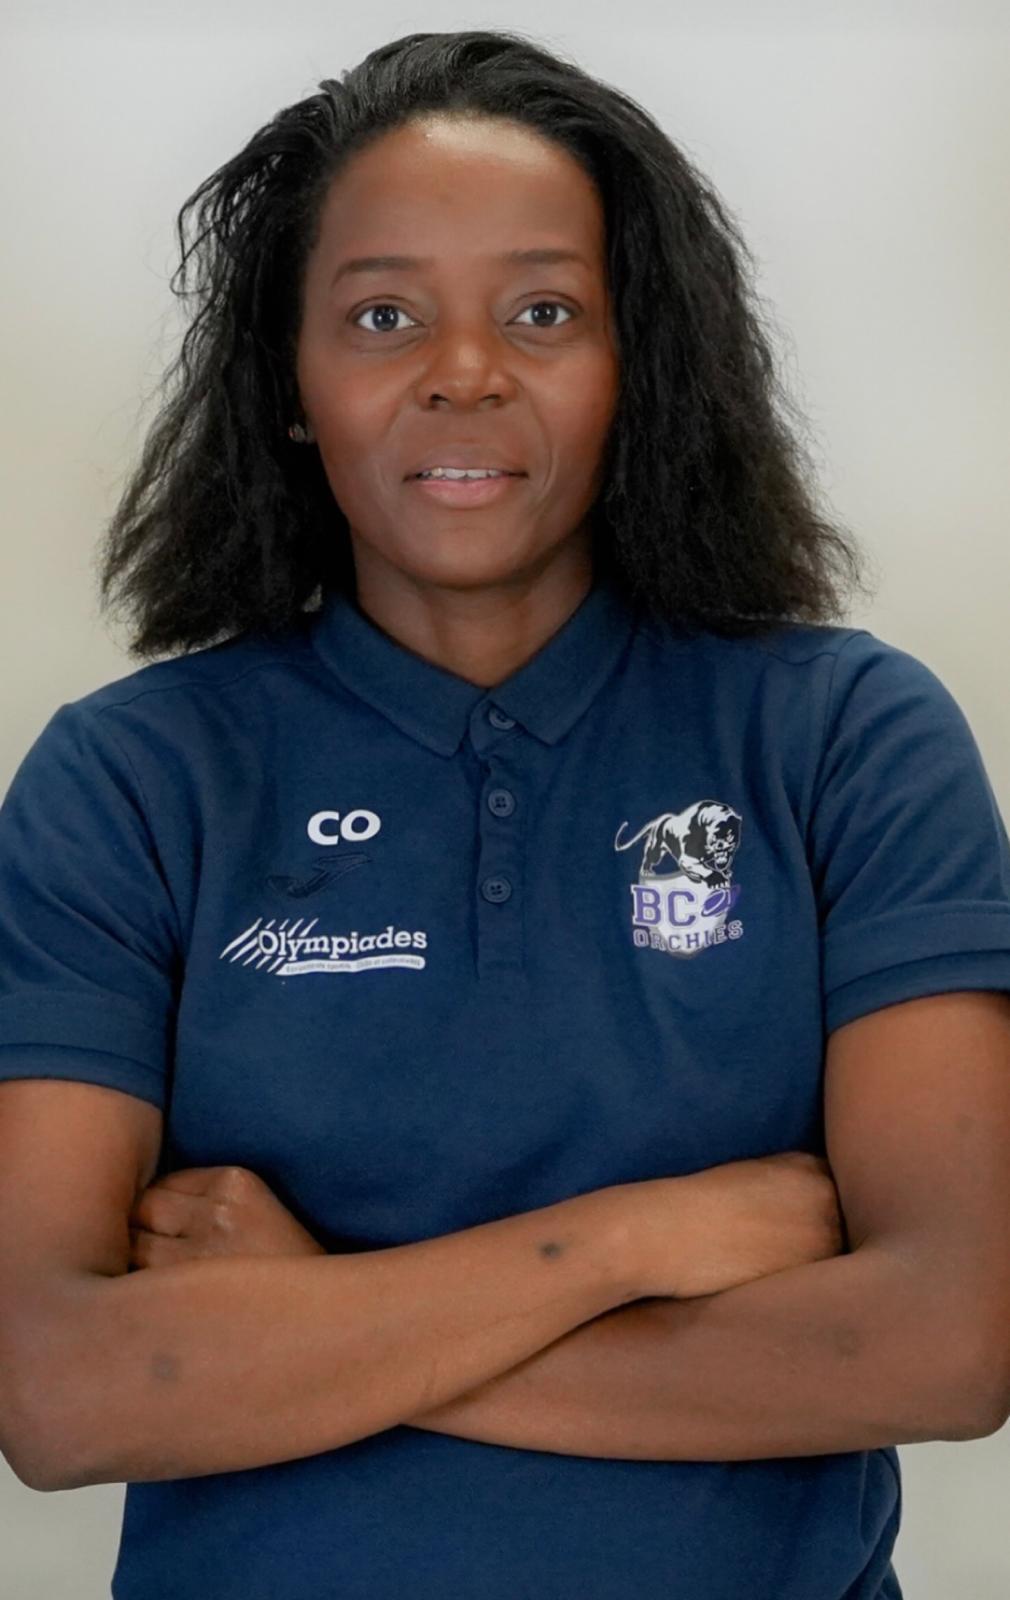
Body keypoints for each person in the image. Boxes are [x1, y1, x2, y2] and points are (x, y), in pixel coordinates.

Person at [1, 27, 1009, 1600]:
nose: (463, 371)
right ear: (288, 384)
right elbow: (58, 1393)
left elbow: (946, 1344)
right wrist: (624, 1246)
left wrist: (309, 1317)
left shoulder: (840, 738)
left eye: (543, 312)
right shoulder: (132, 781)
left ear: (637, 365)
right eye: (382, 315)